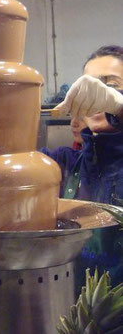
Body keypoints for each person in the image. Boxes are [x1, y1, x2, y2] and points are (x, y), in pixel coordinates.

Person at [43, 45, 123, 286]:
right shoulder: (63, 164)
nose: (97, 92)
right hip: (73, 314)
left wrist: (119, 108)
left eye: (111, 84)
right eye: (89, 84)